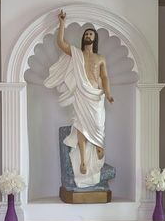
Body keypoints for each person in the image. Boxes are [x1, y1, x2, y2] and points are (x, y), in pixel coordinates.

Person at [44, 10, 114, 187]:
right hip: (81, 94)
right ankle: (82, 160)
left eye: (91, 34)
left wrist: (108, 93)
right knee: (81, 125)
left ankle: (98, 145)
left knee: (98, 124)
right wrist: (62, 23)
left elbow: (105, 77)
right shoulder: (76, 53)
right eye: (86, 34)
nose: (88, 36)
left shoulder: (100, 58)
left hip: (96, 95)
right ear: (84, 38)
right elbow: (61, 43)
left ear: (95, 38)